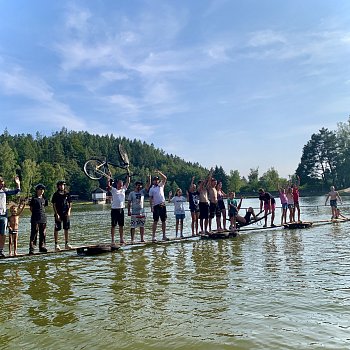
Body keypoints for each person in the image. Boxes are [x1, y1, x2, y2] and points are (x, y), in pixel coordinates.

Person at [107, 172, 130, 245]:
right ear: (117, 184)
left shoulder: (123, 189)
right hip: (114, 209)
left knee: (121, 225)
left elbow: (128, 182)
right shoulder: (114, 190)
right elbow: (108, 185)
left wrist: (128, 174)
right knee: (113, 225)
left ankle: (121, 239)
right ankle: (113, 240)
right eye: (119, 184)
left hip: (121, 209)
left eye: (122, 184)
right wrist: (108, 178)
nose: (121, 185)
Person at [0, 176, 21, 258]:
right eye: (0, 183)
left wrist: (18, 184)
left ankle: (0, 250)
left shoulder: (5, 191)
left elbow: (16, 191)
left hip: (3, 215)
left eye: (2, 183)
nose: (2, 185)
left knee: (3, 233)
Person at [52, 180, 72, 251]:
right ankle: (56, 244)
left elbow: (70, 203)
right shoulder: (55, 194)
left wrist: (69, 212)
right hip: (58, 213)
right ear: (58, 186)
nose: (62, 186)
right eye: (60, 185)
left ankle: (66, 243)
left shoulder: (67, 194)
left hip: (65, 213)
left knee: (66, 228)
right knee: (57, 228)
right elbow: (54, 204)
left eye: (63, 185)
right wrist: (56, 214)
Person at [148, 170, 168, 241]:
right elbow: (150, 199)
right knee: (155, 221)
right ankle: (153, 236)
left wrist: (159, 173)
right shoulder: (151, 189)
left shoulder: (161, 185)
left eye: (157, 180)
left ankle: (164, 236)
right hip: (156, 206)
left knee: (163, 221)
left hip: (163, 205)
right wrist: (151, 207)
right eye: (155, 180)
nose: (156, 181)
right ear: (153, 181)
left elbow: (165, 178)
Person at [29, 184, 48, 254]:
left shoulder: (44, 199)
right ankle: (32, 248)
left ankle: (42, 246)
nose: (42, 191)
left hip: (43, 218)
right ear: (37, 190)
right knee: (34, 233)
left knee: (43, 233)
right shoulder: (34, 199)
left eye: (43, 189)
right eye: (40, 189)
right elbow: (31, 208)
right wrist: (35, 214)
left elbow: (44, 207)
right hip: (35, 218)